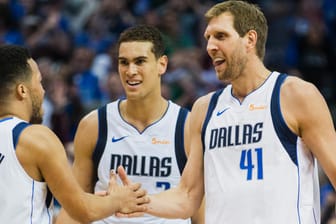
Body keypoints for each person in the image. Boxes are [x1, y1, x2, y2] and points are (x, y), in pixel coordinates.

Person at [116, 1, 336, 223]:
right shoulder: (204, 109)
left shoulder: (294, 95)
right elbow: (187, 196)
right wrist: (137, 202)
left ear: (250, 39)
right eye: (208, 38)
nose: (210, 46)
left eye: (220, 36)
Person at [56, 25, 204, 224]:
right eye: (123, 62)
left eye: (140, 61)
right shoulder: (94, 125)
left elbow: (199, 211)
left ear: (162, 64)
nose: (130, 71)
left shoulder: (187, 126)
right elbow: (75, 208)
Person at [0, 44, 149, 223]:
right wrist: (120, 200)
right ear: (22, 90)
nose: (43, 90)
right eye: (39, 82)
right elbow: (82, 211)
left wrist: (102, 202)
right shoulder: (34, 138)